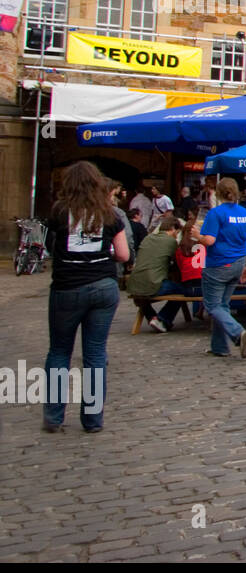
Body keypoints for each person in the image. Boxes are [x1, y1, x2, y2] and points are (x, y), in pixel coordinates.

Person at [42, 161, 130, 433]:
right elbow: (124, 255)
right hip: (103, 286)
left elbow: (49, 246)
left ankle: (54, 417)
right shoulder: (110, 214)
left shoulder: (59, 211)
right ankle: (92, 419)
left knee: (59, 351)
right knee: (94, 354)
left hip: (68, 287)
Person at [200, 177, 246, 359]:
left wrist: (196, 236)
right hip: (238, 263)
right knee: (222, 305)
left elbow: (209, 240)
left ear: (218, 192)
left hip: (219, 264)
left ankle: (237, 332)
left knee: (213, 305)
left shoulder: (215, 214)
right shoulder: (245, 213)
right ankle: (220, 347)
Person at [126, 215, 187, 332]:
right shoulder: (171, 242)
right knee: (184, 291)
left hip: (134, 284)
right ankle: (163, 319)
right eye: (177, 232)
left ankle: (152, 317)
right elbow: (177, 264)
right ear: (173, 229)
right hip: (153, 284)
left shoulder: (148, 238)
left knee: (141, 296)